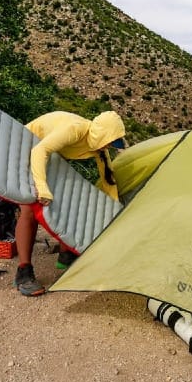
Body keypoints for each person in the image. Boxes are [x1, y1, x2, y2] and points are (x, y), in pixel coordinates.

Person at [14, 110, 126, 296]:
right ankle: (23, 272)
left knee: (70, 200)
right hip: (27, 146)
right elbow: (39, 150)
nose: (109, 146)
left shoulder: (100, 149)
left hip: (50, 155)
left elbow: (109, 180)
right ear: (100, 133)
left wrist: (115, 211)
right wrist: (42, 187)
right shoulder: (75, 130)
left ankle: (66, 256)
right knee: (30, 210)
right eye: (108, 141)